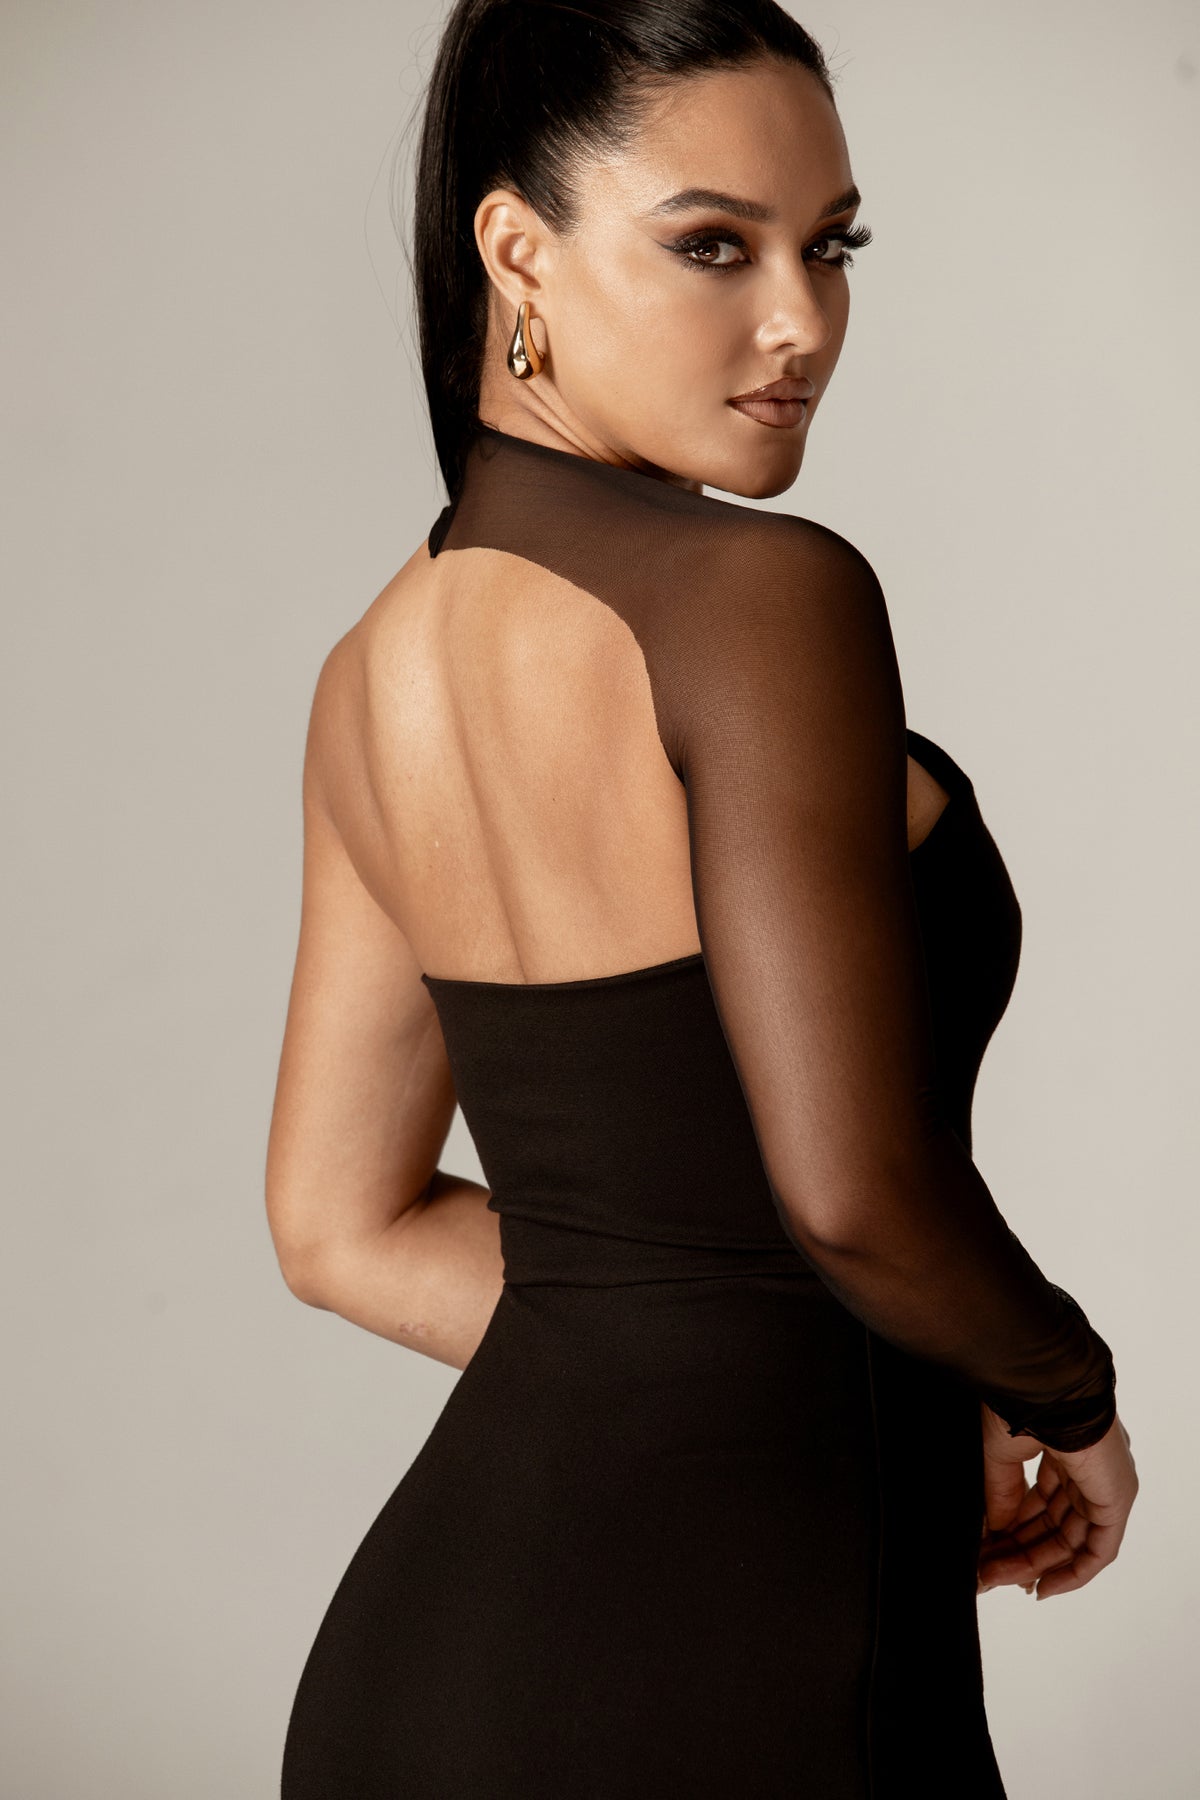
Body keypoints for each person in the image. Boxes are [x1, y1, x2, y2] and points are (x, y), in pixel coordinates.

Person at [266, 3, 1138, 1794]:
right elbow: (855, 1197)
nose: (800, 320)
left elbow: (339, 1230)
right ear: (518, 250)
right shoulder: (760, 600)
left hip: (423, 1685)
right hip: (743, 1689)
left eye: (834, 248)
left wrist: (845, 1382)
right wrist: (1058, 1389)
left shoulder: (373, 669)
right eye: (715, 247)